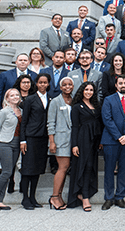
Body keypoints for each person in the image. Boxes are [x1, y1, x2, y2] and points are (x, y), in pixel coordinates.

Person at [101, 75, 125, 210]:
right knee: (109, 170)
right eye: (120, 83)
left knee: (124, 169)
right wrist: (119, 136)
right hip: (111, 140)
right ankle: (108, 198)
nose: (123, 85)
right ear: (116, 85)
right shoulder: (108, 100)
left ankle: (120, 197)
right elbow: (107, 119)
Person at [67, 81, 103, 211]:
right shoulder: (77, 107)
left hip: (94, 140)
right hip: (82, 140)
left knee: (91, 167)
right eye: (86, 89)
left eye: (91, 90)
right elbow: (75, 126)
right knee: (85, 166)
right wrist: (74, 144)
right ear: (82, 90)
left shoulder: (95, 105)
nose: (89, 92)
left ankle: (84, 193)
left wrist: (100, 141)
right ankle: (84, 196)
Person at [19, 73, 51, 210]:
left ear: (48, 84)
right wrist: (23, 140)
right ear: (36, 84)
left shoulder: (50, 99)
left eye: (45, 82)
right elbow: (24, 121)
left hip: (43, 137)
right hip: (31, 137)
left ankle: (33, 197)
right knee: (28, 169)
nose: (43, 85)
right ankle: (25, 198)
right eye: (40, 82)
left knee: (37, 168)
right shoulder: (30, 99)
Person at [0, 88, 22, 211]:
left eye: (17, 95)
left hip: (16, 144)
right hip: (5, 143)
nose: (15, 97)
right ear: (7, 98)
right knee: (6, 172)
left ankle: (0, 200)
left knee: (9, 172)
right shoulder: (4, 112)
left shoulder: (21, 111)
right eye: (12, 95)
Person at [47, 77, 74, 210]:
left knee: (65, 168)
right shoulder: (55, 102)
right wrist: (51, 142)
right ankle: (54, 196)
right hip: (60, 140)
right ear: (60, 87)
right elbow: (50, 123)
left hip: (71, 139)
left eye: (70, 84)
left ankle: (59, 196)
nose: (67, 87)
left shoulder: (74, 100)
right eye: (65, 85)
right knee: (63, 167)